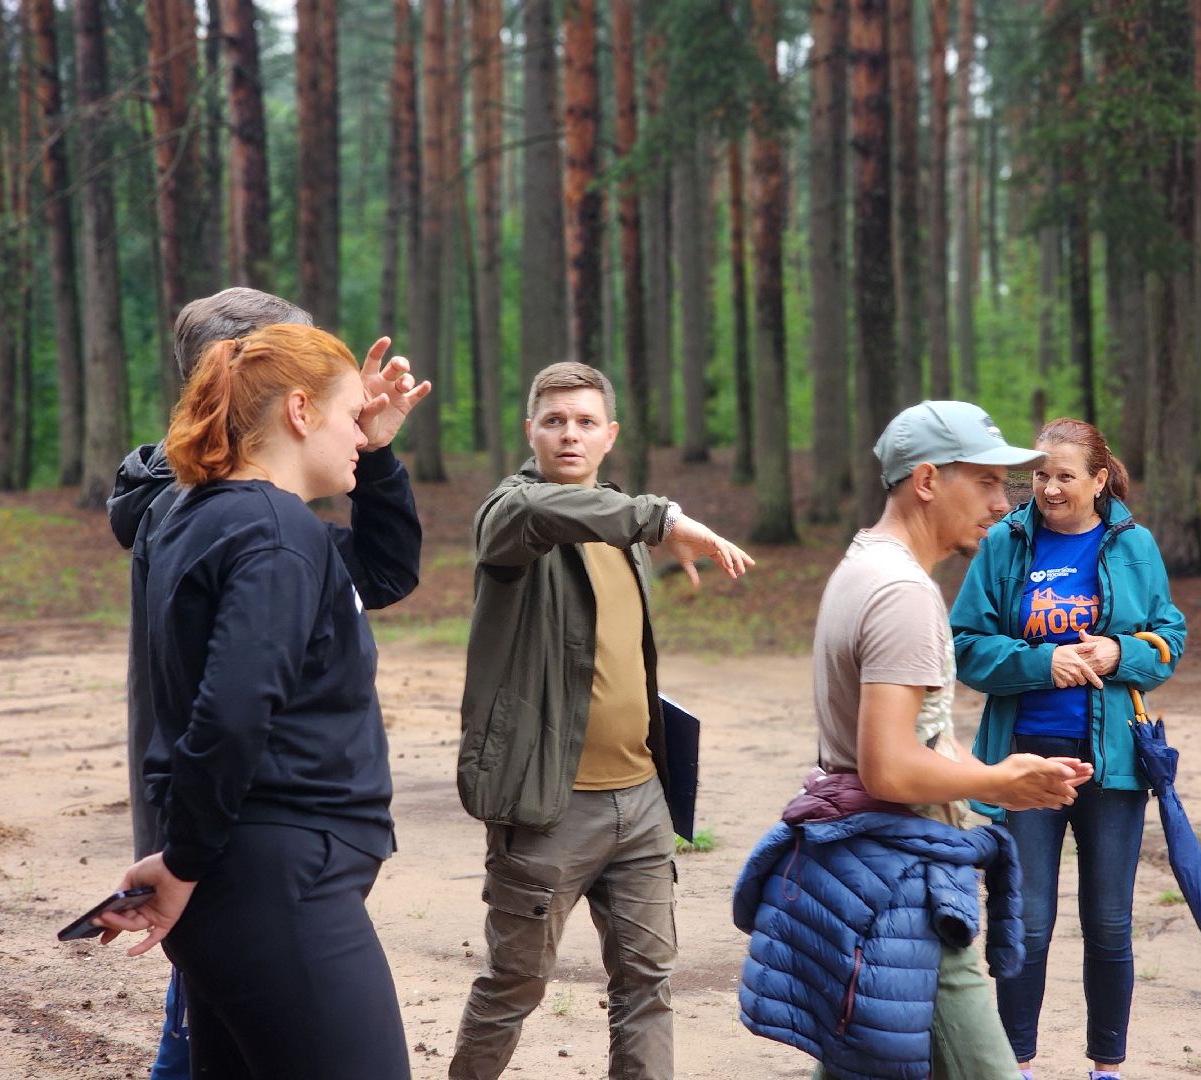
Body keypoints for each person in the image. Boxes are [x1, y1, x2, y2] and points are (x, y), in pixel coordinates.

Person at [95, 323, 431, 1080]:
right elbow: (233, 711)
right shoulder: (275, 533)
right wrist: (182, 861)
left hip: (247, 880)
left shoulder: (205, 517)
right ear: (301, 411)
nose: (362, 434)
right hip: (279, 883)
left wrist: (376, 455)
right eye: (352, 418)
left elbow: (382, 567)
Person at [449, 361, 754, 1080]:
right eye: (553, 421)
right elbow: (547, 515)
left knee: (647, 985)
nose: (569, 435)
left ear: (609, 434)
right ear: (530, 431)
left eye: (586, 422)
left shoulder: (619, 520)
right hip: (549, 807)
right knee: (514, 985)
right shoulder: (510, 514)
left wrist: (650, 528)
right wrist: (663, 519)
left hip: (641, 800)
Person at [787, 400, 1094, 1080]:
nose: (1003, 501)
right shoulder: (903, 594)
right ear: (927, 481)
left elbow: (920, 738)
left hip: (868, 875)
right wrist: (998, 783)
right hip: (902, 891)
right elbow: (889, 768)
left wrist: (1002, 773)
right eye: (985, 481)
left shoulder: (864, 564)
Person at [949, 417, 1187, 1080]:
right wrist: (1039, 664)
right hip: (1026, 763)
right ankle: (1015, 1068)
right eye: (1039, 476)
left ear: (1099, 480)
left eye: (1063, 477)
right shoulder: (1005, 544)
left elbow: (1171, 636)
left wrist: (1122, 651)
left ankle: (1105, 1069)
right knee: (1025, 927)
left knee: (1110, 926)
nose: (1048, 489)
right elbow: (964, 645)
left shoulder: (1132, 546)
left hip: (1113, 768)